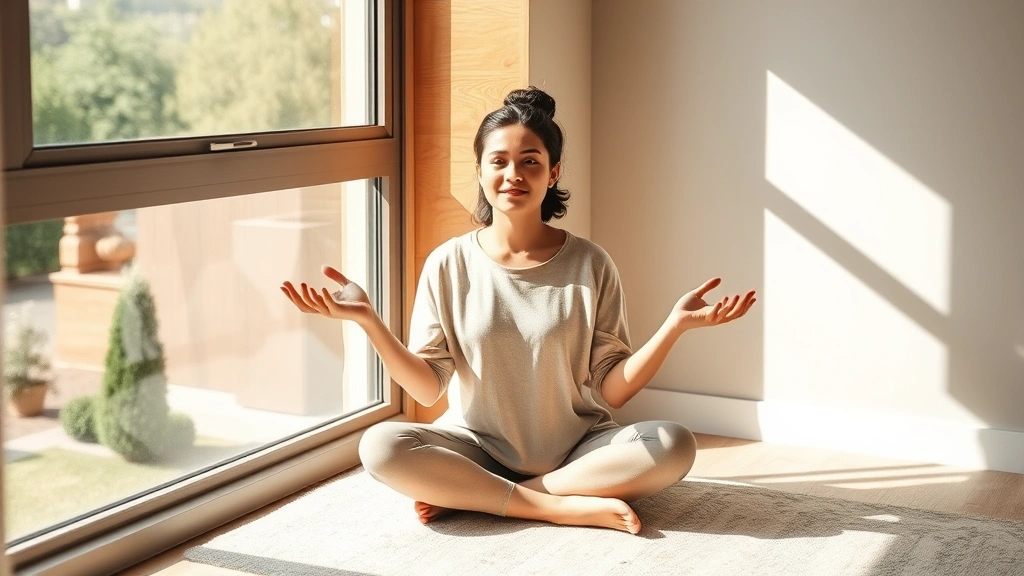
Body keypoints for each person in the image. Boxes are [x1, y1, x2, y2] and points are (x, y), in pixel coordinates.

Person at [280, 87, 756, 535]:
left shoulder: (591, 263)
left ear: (553, 174)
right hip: (477, 448)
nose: (514, 175)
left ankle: (498, 498)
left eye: (531, 162)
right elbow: (428, 386)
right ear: (482, 170)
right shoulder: (448, 263)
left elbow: (613, 388)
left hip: (578, 449)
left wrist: (673, 327)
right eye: (500, 161)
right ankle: (553, 505)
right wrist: (368, 320)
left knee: (673, 444)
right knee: (380, 446)